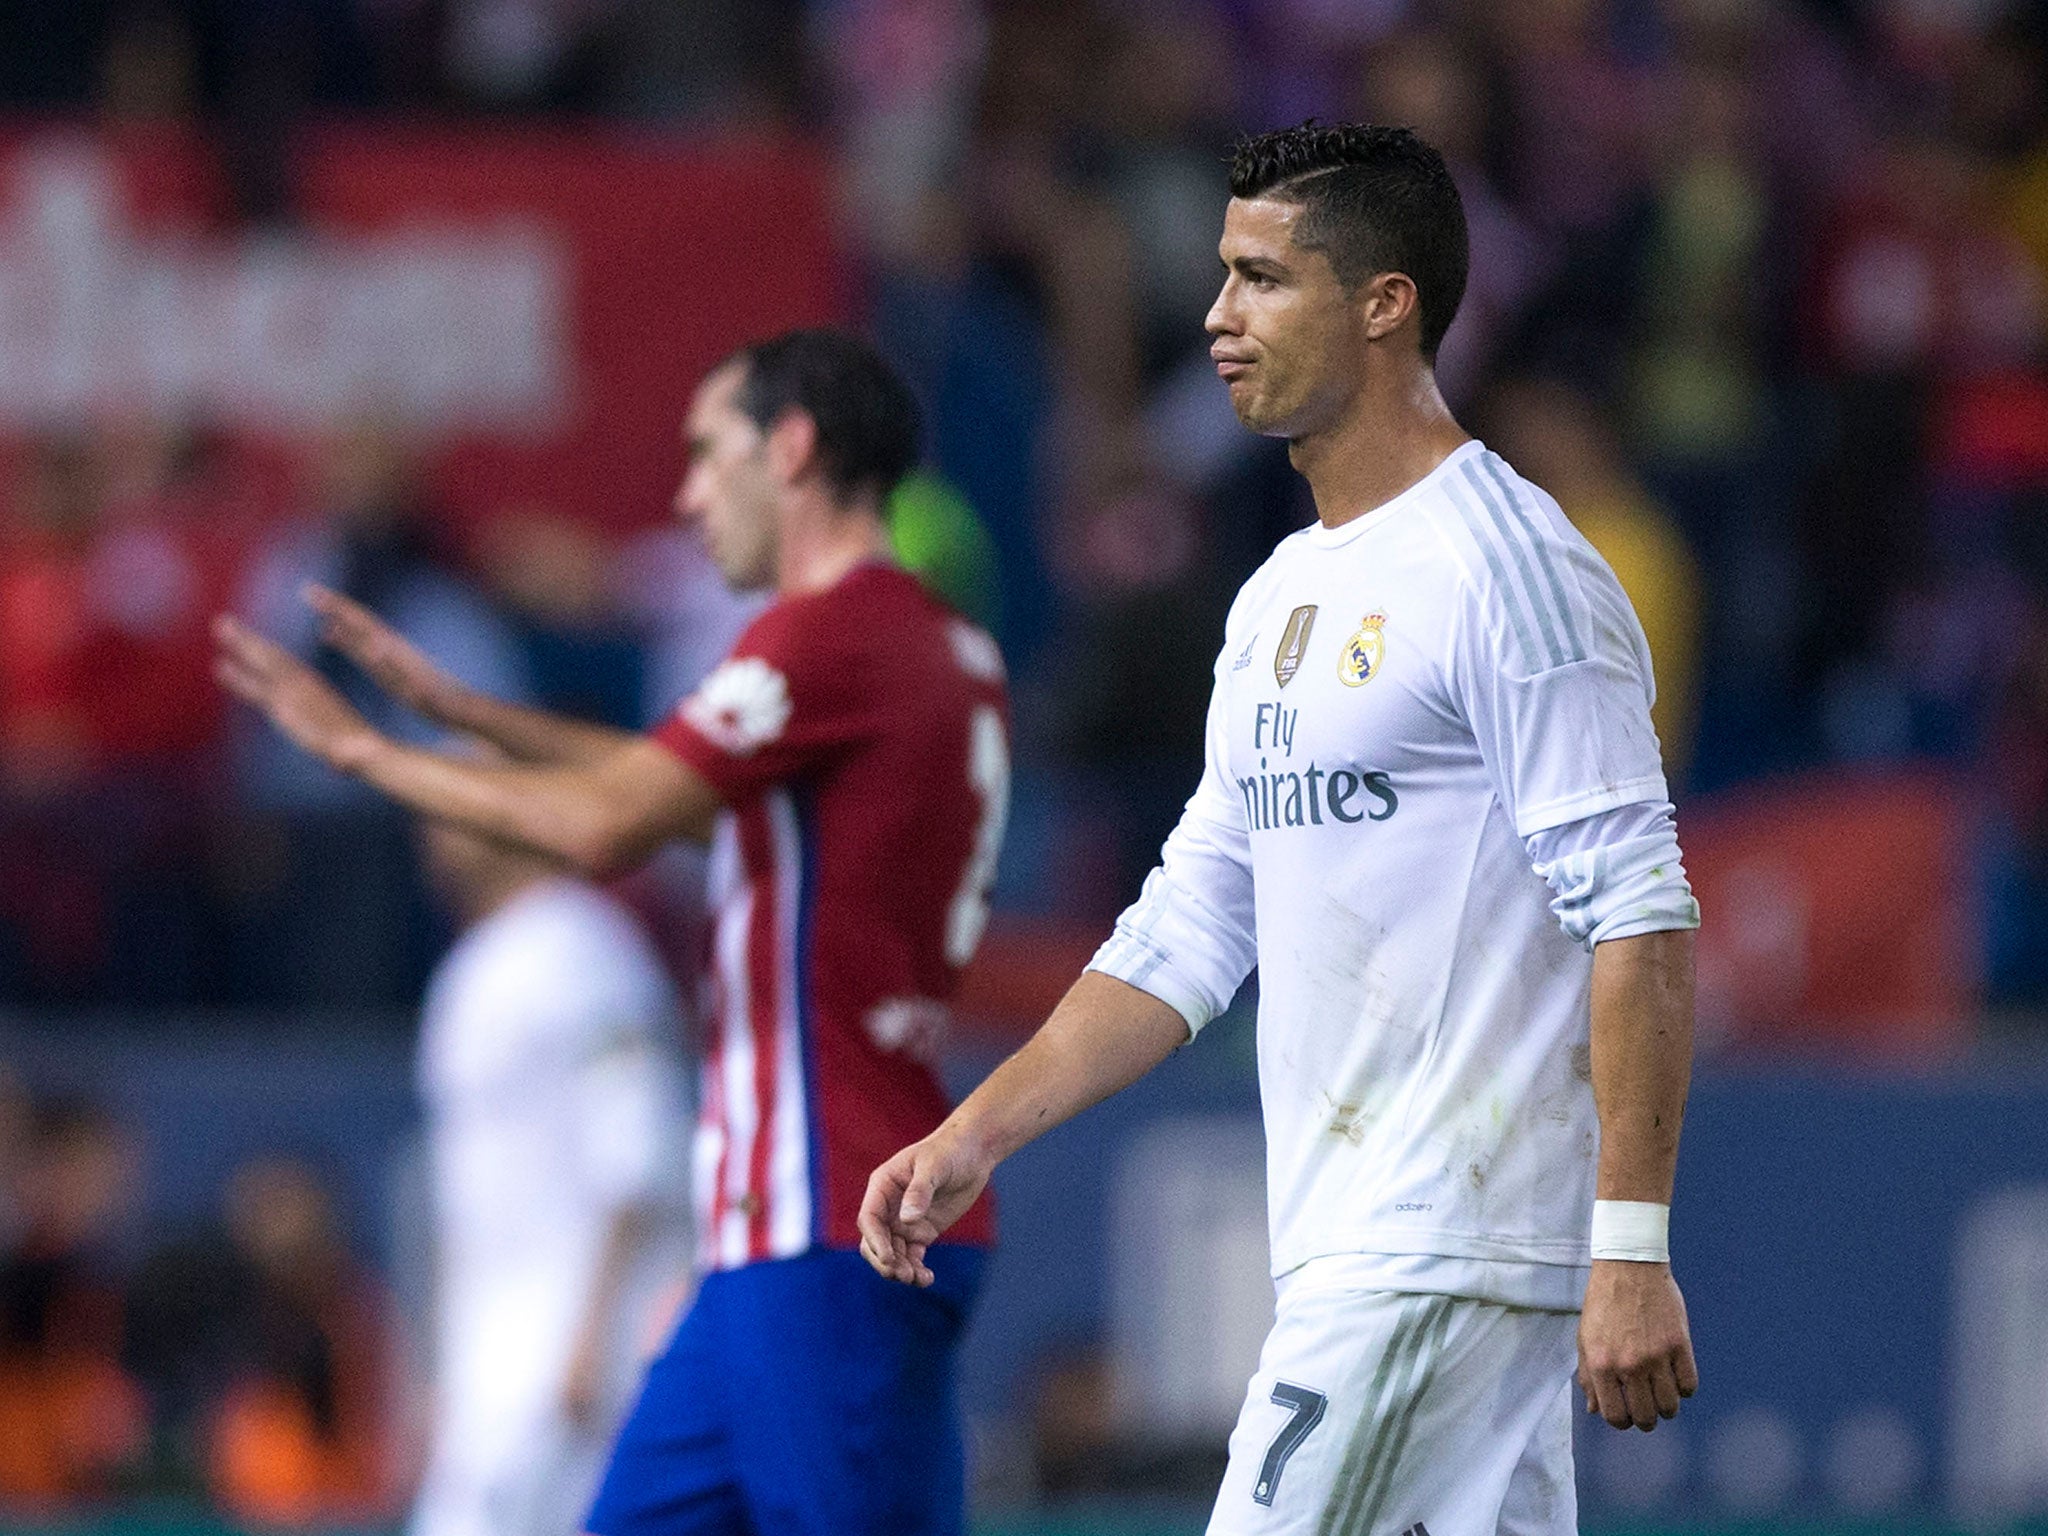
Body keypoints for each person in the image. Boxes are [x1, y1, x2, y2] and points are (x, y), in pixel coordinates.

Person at [860, 123, 1702, 1534]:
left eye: (1261, 278)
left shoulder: (1513, 571)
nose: (1216, 316)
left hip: (1439, 1251)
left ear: (1387, 305)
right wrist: (979, 1133)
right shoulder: (1278, 600)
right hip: (1361, 1250)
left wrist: (1630, 1249)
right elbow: (1193, 921)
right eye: (1221, 276)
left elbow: (1642, 913)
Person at [214, 327, 1010, 1536]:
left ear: (789, 449)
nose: (688, 496)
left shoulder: (824, 637)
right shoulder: (930, 646)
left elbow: (609, 824)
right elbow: (674, 788)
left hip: (828, 1219)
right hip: (780, 1230)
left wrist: (366, 750)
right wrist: (464, 710)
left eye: (705, 455)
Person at [409, 818, 690, 1536]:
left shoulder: (586, 949)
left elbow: (638, 1157)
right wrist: (438, 1366)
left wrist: (587, 1343)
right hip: (492, 1352)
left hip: (575, 1350)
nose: (440, 826)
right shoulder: (475, 963)